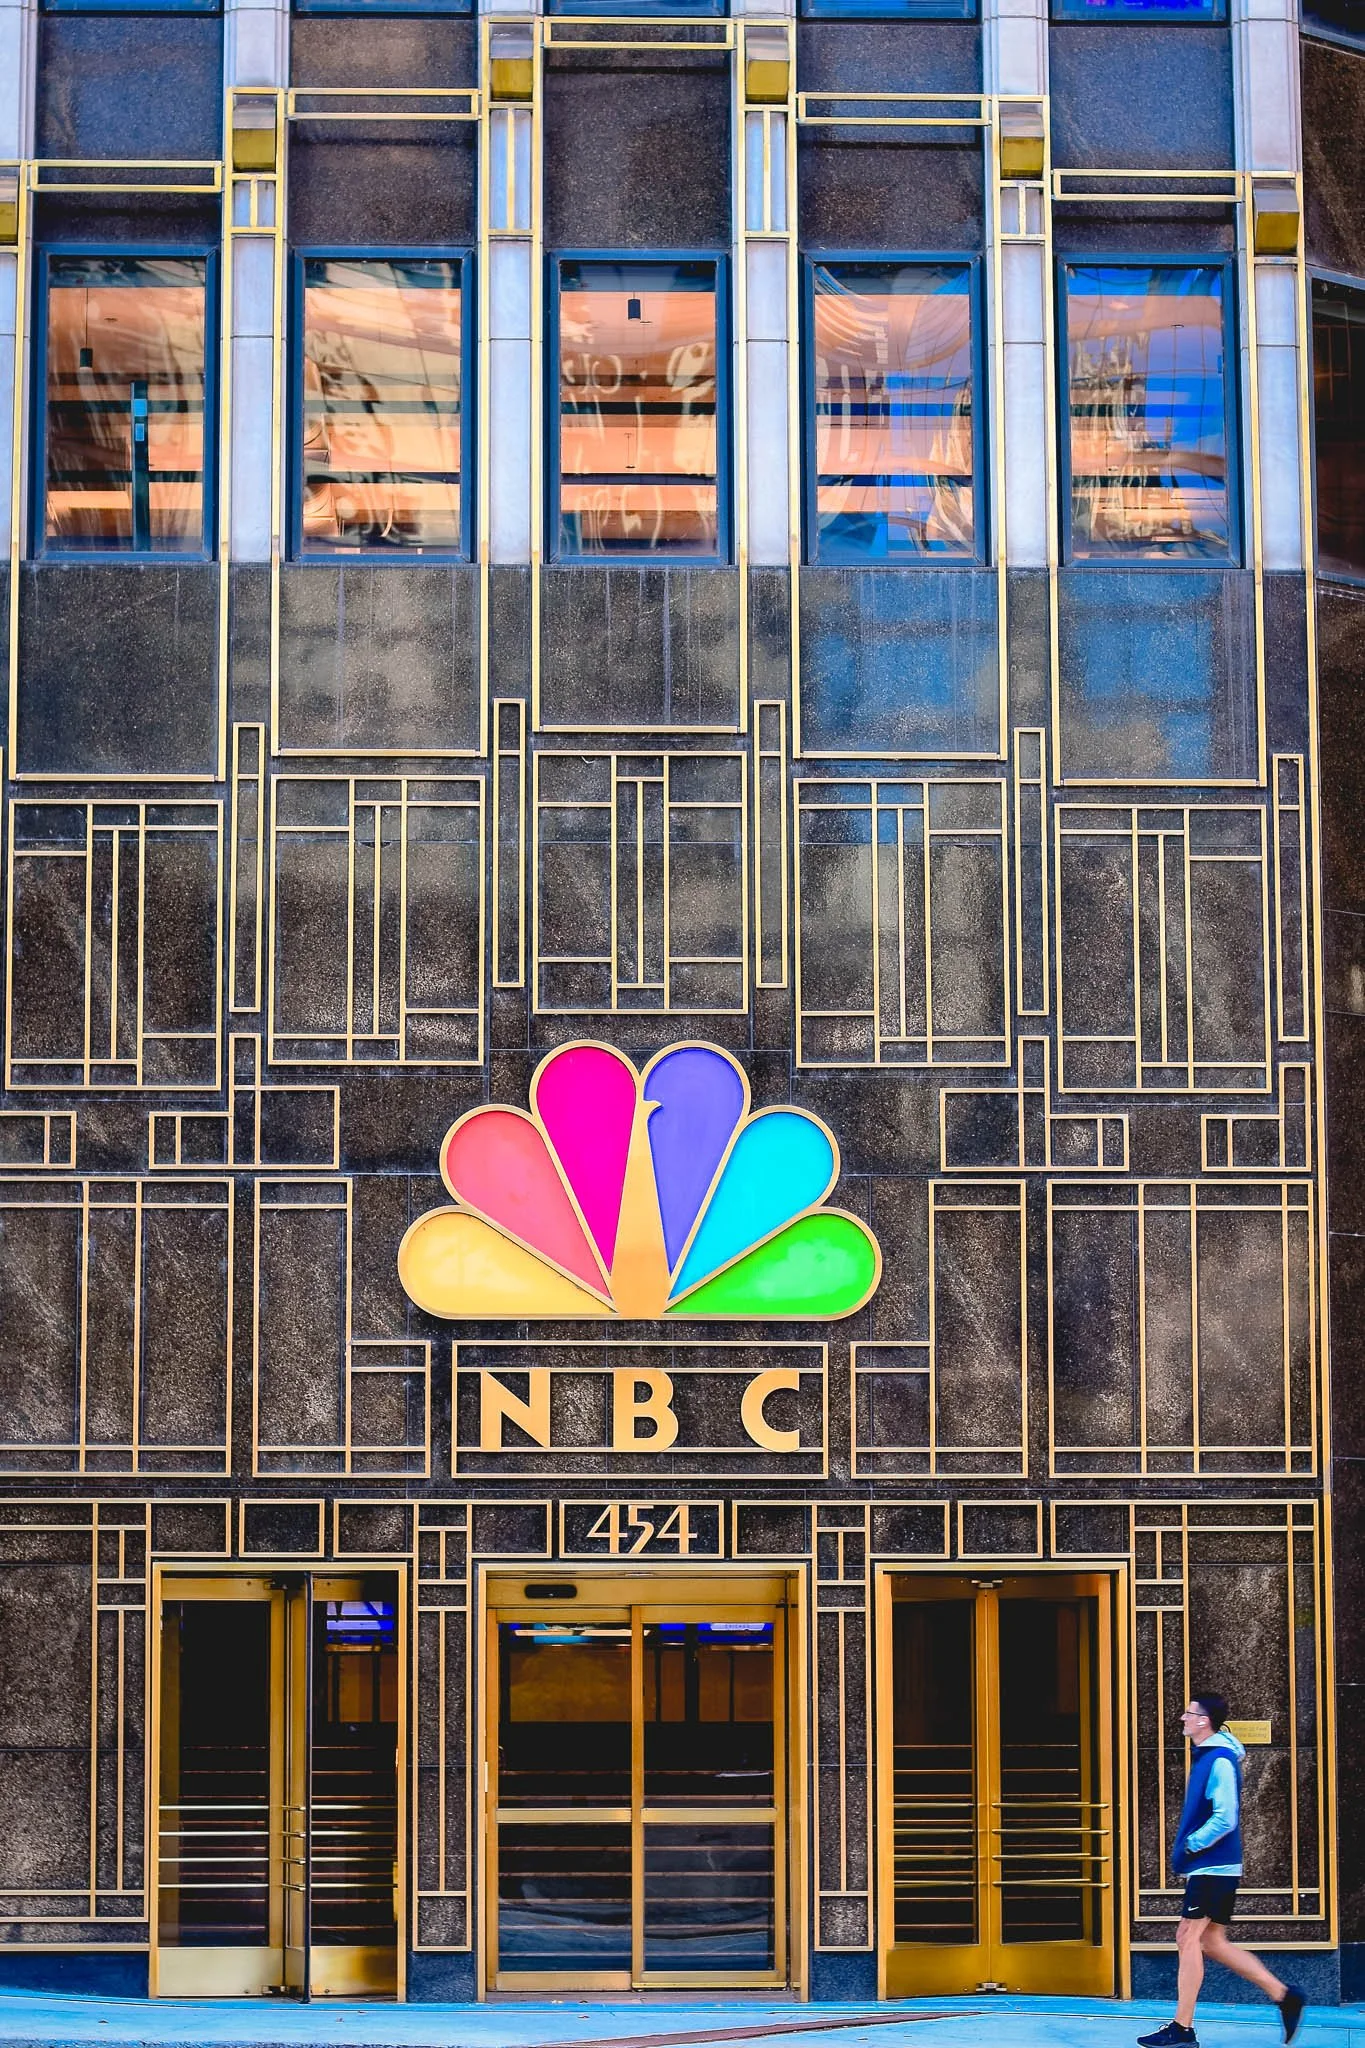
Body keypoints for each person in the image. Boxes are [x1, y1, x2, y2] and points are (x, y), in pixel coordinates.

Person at [1137, 1695, 1304, 2048]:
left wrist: (1193, 1843)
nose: (1183, 1718)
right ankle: (1284, 1994)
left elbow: (1226, 1817)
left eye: (1190, 1713)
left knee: (1187, 1938)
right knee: (1211, 1941)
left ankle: (1182, 2029)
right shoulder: (1209, 1757)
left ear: (1204, 1721)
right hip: (1214, 1867)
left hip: (1213, 1866)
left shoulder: (1220, 1760)